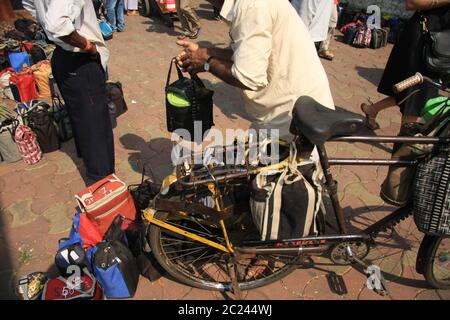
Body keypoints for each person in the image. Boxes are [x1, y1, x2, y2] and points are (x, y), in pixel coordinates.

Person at [176, 0, 335, 140]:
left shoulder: (252, 6)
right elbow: (245, 55)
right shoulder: (249, 4)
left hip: (293, 116)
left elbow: (248, 77)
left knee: (260, 168)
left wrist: (206, 62)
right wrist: (204, 52)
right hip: (291, 109)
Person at [23, 0, 115, 185]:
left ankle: (94, 167)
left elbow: (30, 5)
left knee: (82, 118)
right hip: (79, 58)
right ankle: (102, 187)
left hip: (64, 57)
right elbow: (57, 24)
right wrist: (87, 45)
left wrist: (49, 25)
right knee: (94, 125)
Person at [361, 0, 450, 130]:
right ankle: (404, 144)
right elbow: (412, 3)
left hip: (442, 44)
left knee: (415, 91)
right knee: (418, 94)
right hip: (425, 40)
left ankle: (372, 109)